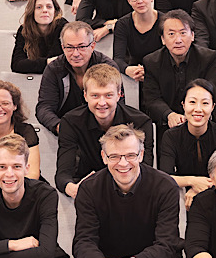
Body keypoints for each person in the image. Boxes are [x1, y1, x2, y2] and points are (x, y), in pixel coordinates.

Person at [72, 124, 182, 258]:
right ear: (103, 158)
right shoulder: (89, 189)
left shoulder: (165, 186)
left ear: (140, 155)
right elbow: (83, 242)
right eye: (114, 156)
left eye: (130, 155)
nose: (123, 163)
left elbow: (167, 244)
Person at [56, 64, 155, 199]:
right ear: (85, 95)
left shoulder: (141, 122)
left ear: (119, 95)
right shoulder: (70, 122)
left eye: (108, 95)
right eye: (95, 95)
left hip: (129, 189)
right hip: (89, 190)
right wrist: (72, 189)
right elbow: (63, 173)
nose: (102, 103)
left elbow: (144, 169)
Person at [158, 79, 216, 204]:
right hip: (182, 197)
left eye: (205, 103)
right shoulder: (171, 136)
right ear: (183, 105)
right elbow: (165, 178)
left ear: (213, 106)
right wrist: (193, 182)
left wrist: (200, 191)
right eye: (192, 102)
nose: (198, 109)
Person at [142, 10, 216, 131]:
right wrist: (169, 115)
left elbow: (213, 90)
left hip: (202, 119)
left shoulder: (208, 58)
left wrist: (194, 114)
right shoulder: (151, 62)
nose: (178, 40)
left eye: (183, 33)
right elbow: (152, 98)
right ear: (163, 39)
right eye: (171, 34)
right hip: (167, 123)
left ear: (193, 36)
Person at [36, 21, 117, 134]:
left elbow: (117, 105)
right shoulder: (54, 69)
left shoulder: (108, 66)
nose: (75, 54)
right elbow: (44, 108)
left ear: (92, 46)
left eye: (81, 47)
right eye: (69, 47)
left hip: (102, 130)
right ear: (62, 47)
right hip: (66, 131)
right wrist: (60, 126)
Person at [112, 0, 163, 82]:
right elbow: (117, 59)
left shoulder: (165, 22)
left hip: (162, 74)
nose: (139, 1)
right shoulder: (122, 24)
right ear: (128, 0)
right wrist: (127, 70)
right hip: (135, 75)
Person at [11, 0, 67, 74]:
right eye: (39, 7)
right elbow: (16, 65)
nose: (45, 10)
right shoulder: (24, 30)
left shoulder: (63, 27)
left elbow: (58, 63)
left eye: (49, 7)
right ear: (32, 11)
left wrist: (33, 65)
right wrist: (47, 62)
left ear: (55, 11)